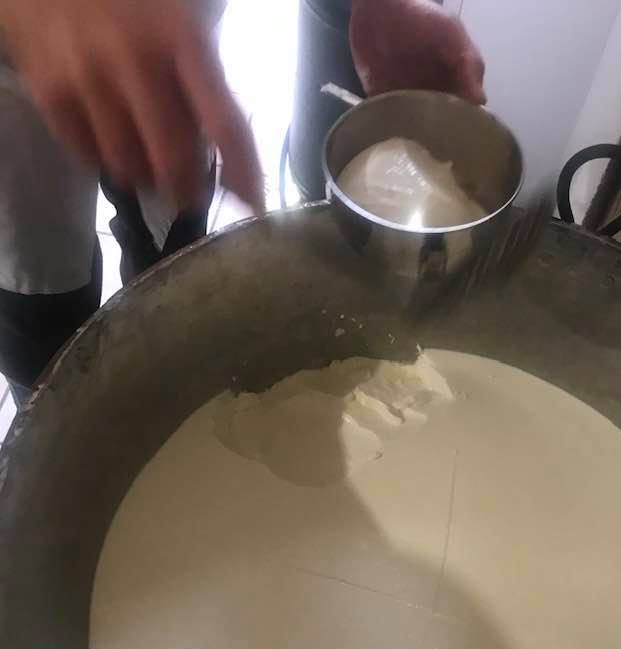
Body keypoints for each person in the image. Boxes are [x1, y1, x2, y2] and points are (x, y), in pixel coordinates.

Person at [0, 0, 484, 396]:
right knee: (40, 308)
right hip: (12, 72)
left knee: (172, 243)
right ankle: (45, 441)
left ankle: (163, 384)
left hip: (171, 34)